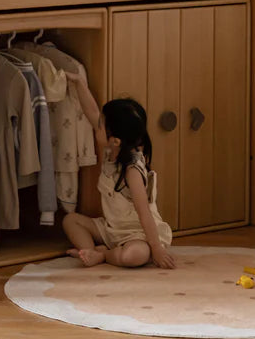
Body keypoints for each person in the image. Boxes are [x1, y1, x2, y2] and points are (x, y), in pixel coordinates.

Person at [62, 73, 176, 270]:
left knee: (134, 256)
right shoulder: (111, 150)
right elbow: (92, 112)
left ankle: (103, 255)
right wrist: (79, 82)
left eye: (100, 126)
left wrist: (157, 248)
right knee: (70, 220)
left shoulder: (132, 170)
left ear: (115, 141)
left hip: (138, 234)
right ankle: (89, 252)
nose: (96, 127)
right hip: (112, 229)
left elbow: (144, 213)